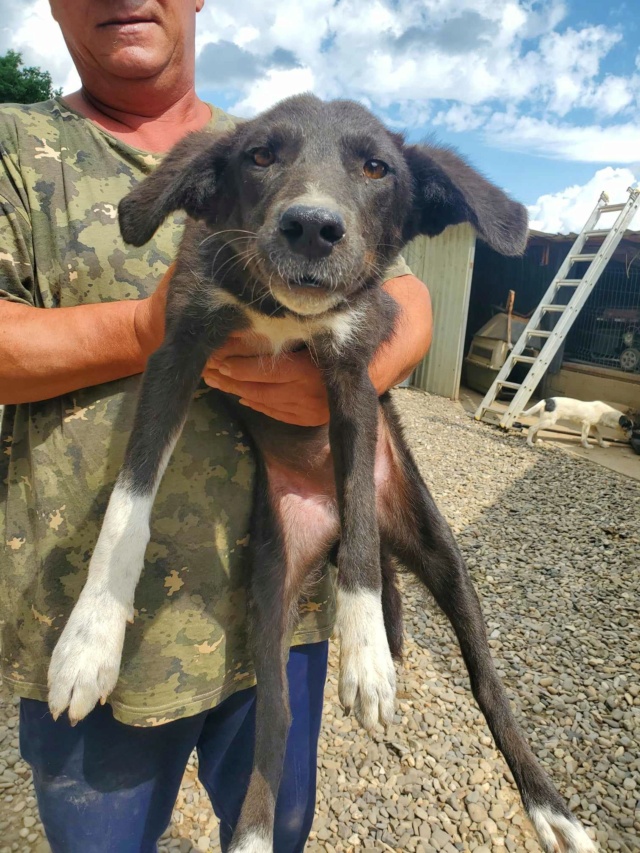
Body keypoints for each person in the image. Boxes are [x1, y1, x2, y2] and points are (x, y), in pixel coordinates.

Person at [0, 1, 433, 851]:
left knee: (276, 832)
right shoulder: (16, 149)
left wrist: (349, 380)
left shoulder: (285, 141)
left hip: (284, 604)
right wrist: (139, 332)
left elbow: (406, 296)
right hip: (97, 629)